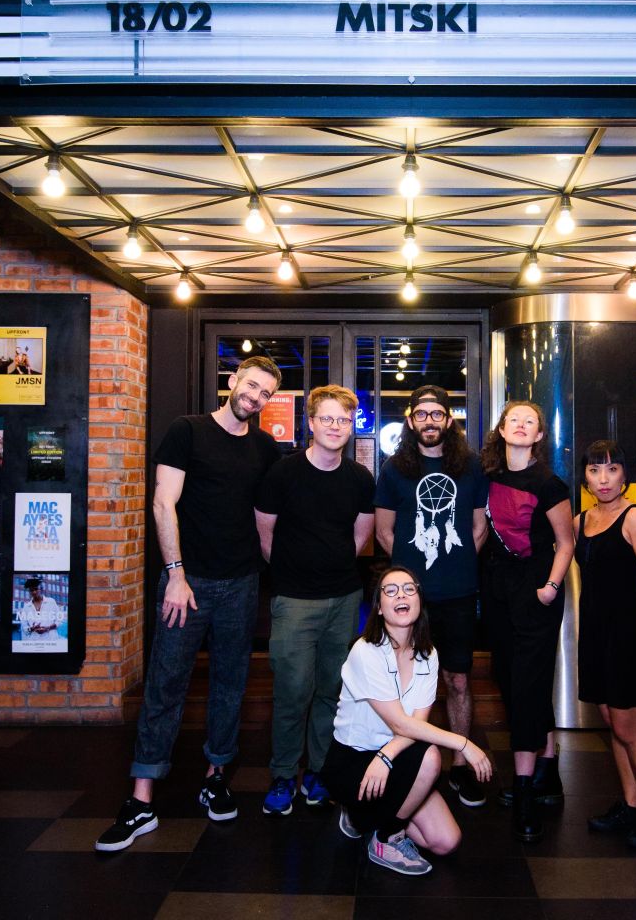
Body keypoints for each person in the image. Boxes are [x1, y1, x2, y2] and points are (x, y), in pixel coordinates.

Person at [95, 356, 283, 853]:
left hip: (241, 583)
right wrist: (175, 575)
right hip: (188, 582)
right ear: (232, 382)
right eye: (251, 387)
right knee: (166, 683)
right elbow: (163, 503)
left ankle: (216, 775)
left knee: (230, 684)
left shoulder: (265, 447)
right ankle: (141, 799)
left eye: (265, 394)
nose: (255, 398)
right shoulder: (188, 431)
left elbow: (272, 513)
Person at [322, 566, 492, 876]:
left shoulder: (428, 654)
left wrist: (386, 756)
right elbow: (403, 725)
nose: (401, 594)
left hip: (392, 757)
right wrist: (463, 743)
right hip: (353, 762)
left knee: (446, 841)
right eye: (390, 590)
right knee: (431, 757)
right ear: (379, 606)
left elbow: (416, 724)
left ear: (419, 600)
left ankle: (368, 816)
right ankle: (385, 836)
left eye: (409, 589)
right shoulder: (366, 652)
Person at [255, 384, 376, 815]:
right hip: (293, 600)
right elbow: (265, 533)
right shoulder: (282, 474)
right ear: (310, 423)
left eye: (343, 420)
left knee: (332, 690)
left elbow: (361, 537)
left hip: (344, 599)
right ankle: (284, 774)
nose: (335, 426)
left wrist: (332, 568)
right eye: (327, 418)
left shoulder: (360, 478)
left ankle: (319, 772)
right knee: (291, 690)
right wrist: (293, 572)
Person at [374, 385, 490, 807]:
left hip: (458, 592)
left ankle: (461, 763)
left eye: (436, 413)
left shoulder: (472, 467)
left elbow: (479, 528)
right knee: (402, 684)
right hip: (409, 598)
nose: (428, 421)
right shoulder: (394, 469)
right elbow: (384, 531)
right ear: (410, 420)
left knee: (457, 680)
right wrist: (410, 571)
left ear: (448, 420)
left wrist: (451, 563)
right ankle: (403, 759)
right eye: (421, 414)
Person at [480, 401, 574, 843]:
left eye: (529, 422)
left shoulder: (549, 483)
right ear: (502, 429)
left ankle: (523, 792)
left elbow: (565, 543)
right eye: (513, 419)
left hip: (538, 593)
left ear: (538, 435)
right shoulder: (489, 477)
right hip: (499, 592)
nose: (520, 426)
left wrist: (552, 587)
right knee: (511, 678)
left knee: (527, 683)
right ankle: (548, 773)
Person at [574, 440, 636, 850]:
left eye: (612, 470)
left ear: (624, 476)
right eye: (595, 471)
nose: (603, 479)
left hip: (628, 634)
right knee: (613, 723)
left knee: (631, 729)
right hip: (594, 633)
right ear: (585, 478)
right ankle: (630, 804)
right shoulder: (581, 520)